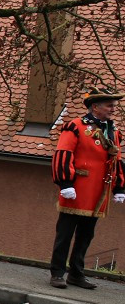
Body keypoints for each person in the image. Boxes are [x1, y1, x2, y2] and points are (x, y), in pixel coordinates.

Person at [49, 87, 124, 289]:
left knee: (85, 235)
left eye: (113, 106)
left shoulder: (114, 131)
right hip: (76, 190)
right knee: (64, 235)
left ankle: (76, 273)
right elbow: (63, 154)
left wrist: (119, 187)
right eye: (109, 105)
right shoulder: (75, 127)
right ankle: (57, 273)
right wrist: (65, 183)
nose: (113, 109)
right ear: (94, 107)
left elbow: (116, 161)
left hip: (98, 193)